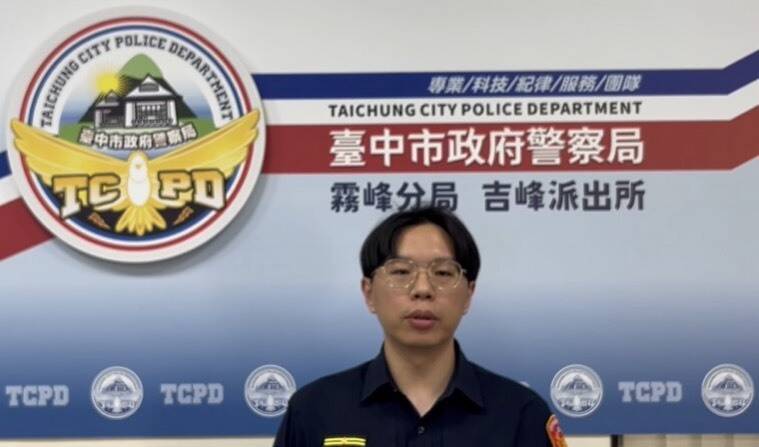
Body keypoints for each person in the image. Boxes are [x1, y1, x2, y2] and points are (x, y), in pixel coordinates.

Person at [274, 206, 566, 447]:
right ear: (368, 293)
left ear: (469, 294)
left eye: (443, 273)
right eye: (401, 271)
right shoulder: (314, 410)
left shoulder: (520, 414)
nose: (423, 289)